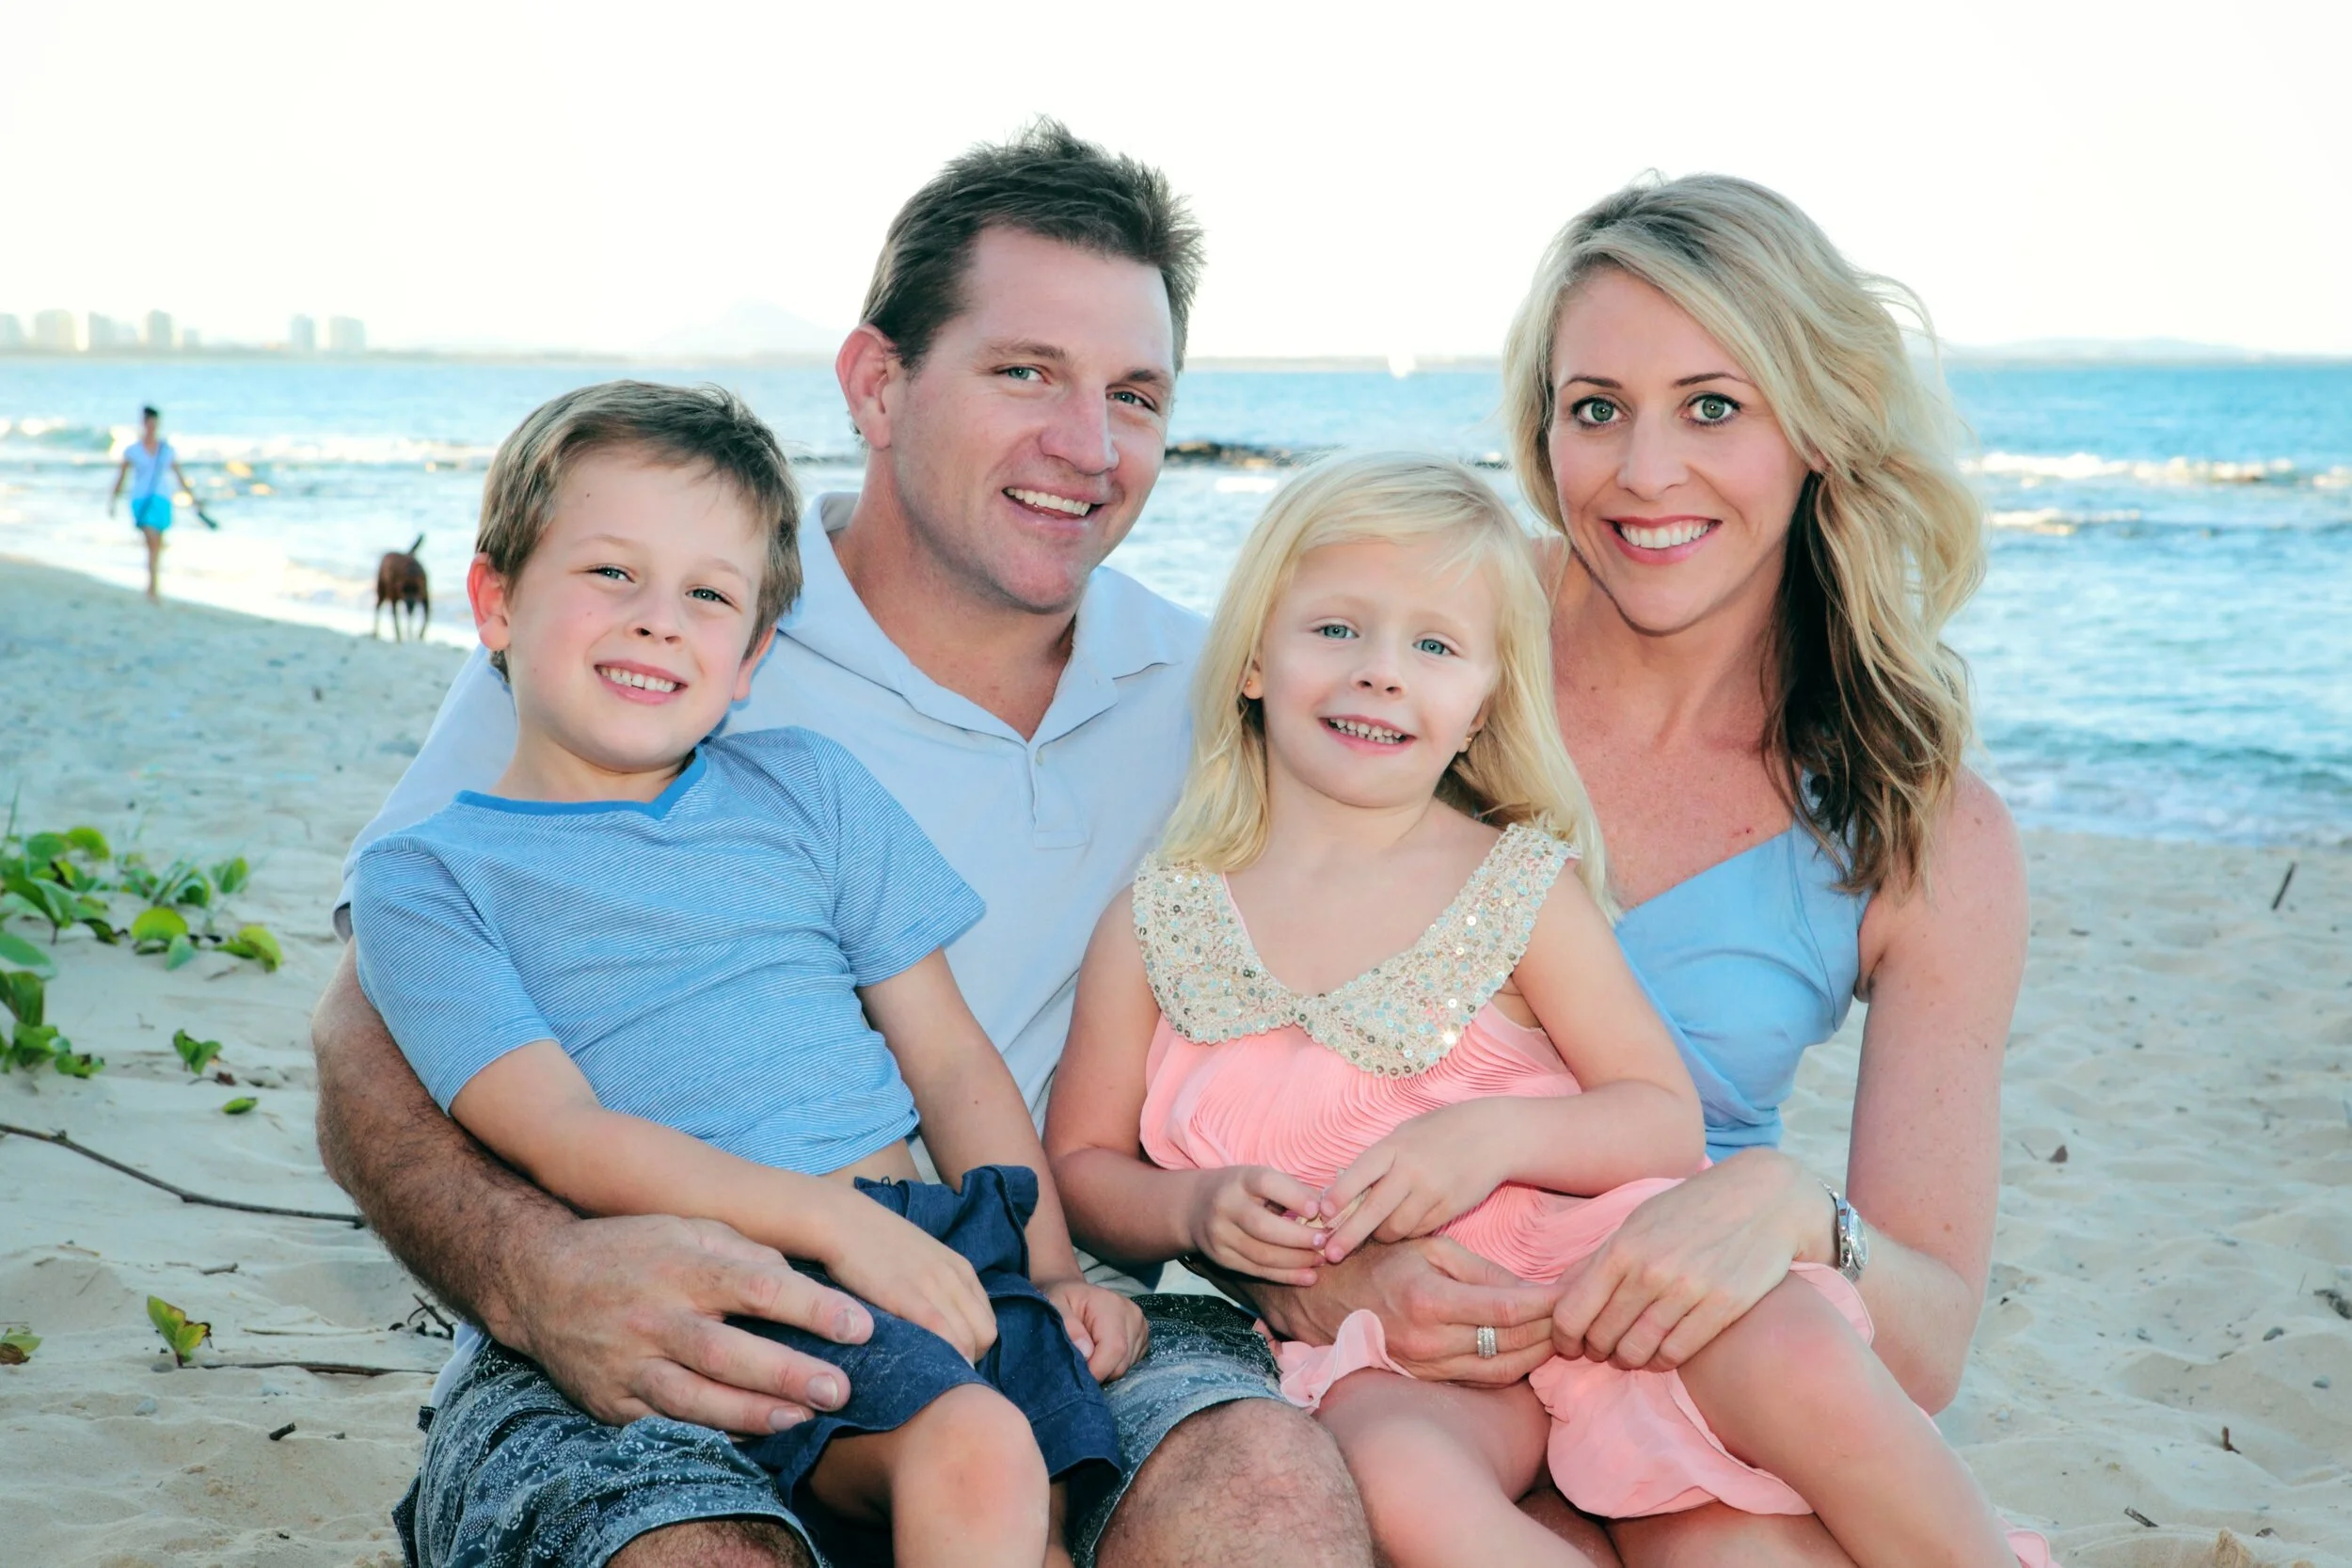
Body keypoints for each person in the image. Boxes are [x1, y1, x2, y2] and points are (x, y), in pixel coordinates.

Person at [312, 122, 1375, 1568]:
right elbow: (364, 1029)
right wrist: (536, 1266)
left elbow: (1436, 931)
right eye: (1024, 372)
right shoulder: (635, 651)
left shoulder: (1232, 695)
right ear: (877, 384)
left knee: (1262, 1489)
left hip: (1019, 1279)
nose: (1088, 442)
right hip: (631, 1298)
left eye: (1135, 393)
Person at [1217, 177, 2032, 1567]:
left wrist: (1791, 1208)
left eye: (1714, 405)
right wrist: (1331, 1281)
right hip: (1422, 1379)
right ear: (1543, 431)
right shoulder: (1425, 648)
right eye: (1596, 407)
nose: (1646, 472)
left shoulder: (1923, 823)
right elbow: (1212, 1024)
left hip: (1694, 1363)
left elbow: (1934, 1335)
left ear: (1819, 427)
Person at [1044, 452, 2047, 1568]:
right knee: (1394, 1476)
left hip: (1614, 1277)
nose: (1381, 673)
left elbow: (1662, 1119)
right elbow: (1082, 1164)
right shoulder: (1157, 920)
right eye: (1334, 628)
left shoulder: (1518, 886)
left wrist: (1491, 1134)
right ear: (1248, 661)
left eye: (1433, 646)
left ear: (1481, 707)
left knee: (1800, 1355)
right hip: (1405, 1353)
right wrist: (1191, 1210)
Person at [349, 380, 1138, 1567]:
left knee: (1016, 1489)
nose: (660, 620)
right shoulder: (429, 876)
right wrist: (828, 1218)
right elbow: (562, 1134)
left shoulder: (808, 789)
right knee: (974, 1451)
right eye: (611, 572)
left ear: (755, 652)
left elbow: (949, 1057)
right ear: (494, 599)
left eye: (708, 594)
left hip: (930, 1246)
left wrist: (1055, 1267)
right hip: (714, 1283)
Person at [108, 404, 194, 601]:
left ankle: (152, 586)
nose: (152, 427)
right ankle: (153, 587)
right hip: (141, 500)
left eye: (155, 423)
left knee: (158, 543)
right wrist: (113, 499)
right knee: (151, 541)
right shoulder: (133, 450)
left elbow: (179, 475)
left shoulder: (166, 450)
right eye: (149, 423)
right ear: (144, 423)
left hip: (163, 499)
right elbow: (121, 476)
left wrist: (193, 499)